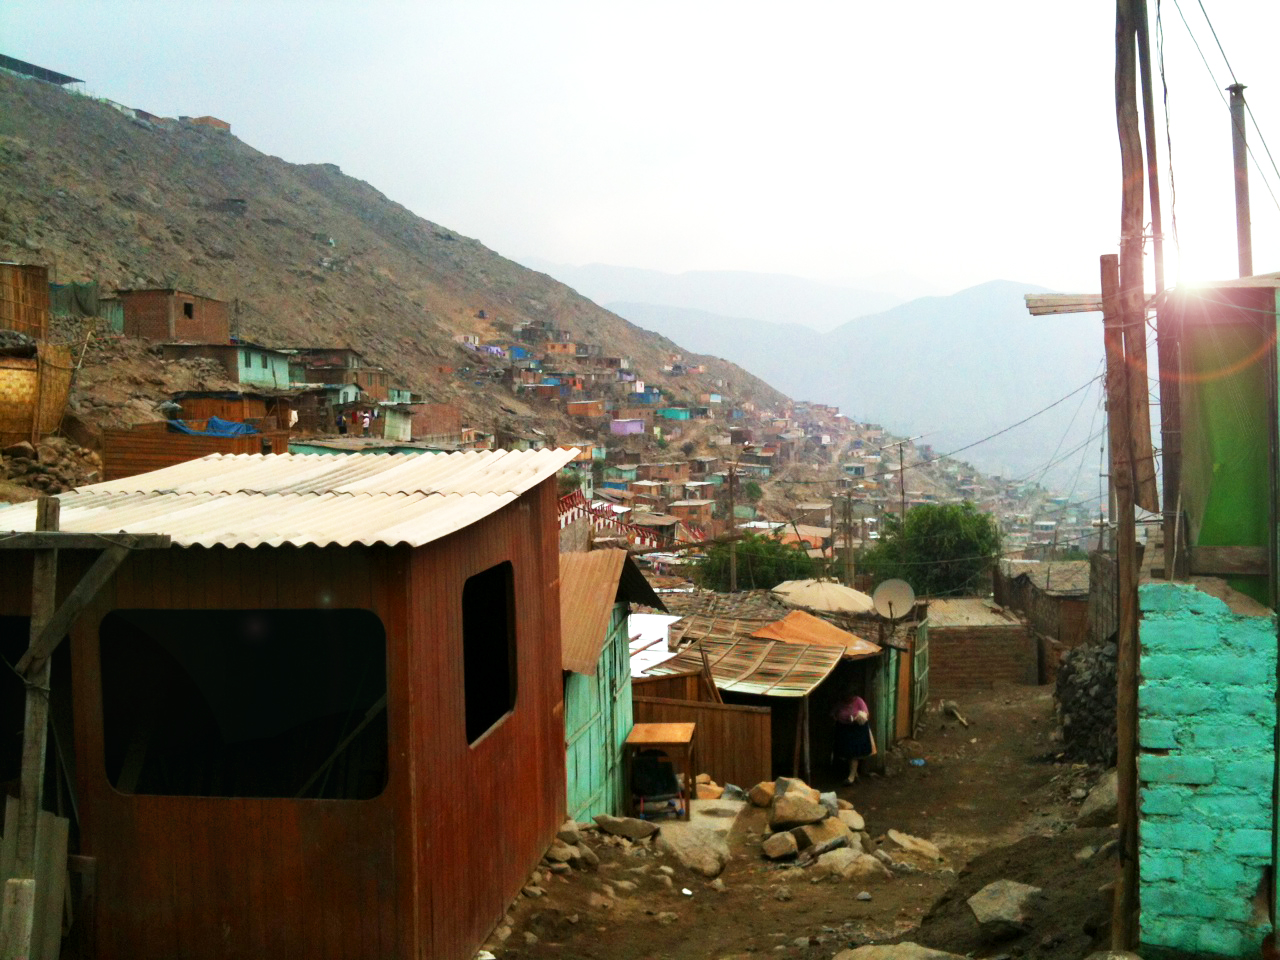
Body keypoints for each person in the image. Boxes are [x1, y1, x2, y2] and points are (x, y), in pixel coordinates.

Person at [831, 690, 875, 784]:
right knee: (847, 754)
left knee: (854, 754)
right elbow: (833, 714)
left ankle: (851, 778)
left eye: (850, 695)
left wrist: (857, 717)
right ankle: (854, 774)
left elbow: (866, 714)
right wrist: (837, 718)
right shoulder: (840, 703)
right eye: (846, 696)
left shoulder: (858, 701)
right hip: (844, 730)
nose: (848, 698)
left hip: (857, 730)